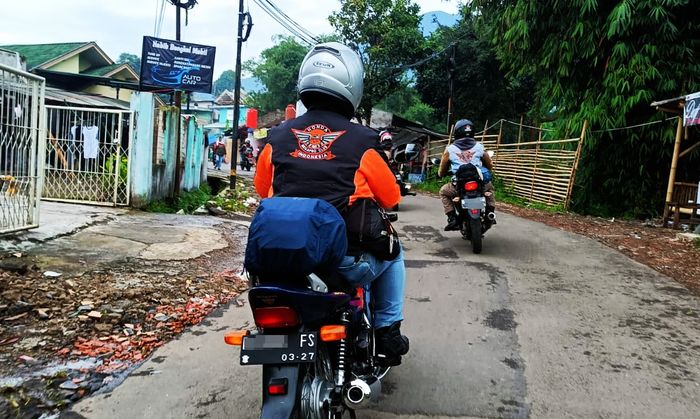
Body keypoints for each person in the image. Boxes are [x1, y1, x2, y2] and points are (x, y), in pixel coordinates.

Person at [254, 42, 409, 366]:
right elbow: (392, 197)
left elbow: (261, 189)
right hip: (342, 261)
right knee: (394, 255)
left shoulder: (278, 137)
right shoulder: (364, 142)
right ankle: (387, 332)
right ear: (352, 85)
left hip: (279, 257)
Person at [438, 118, 496, 231]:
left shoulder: (449, 149)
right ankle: (490, 213)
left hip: (458, 185)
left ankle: (452, 218)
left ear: (457, 132)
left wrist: (441, 174)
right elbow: (489, 165)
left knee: (443, 192)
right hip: (478, 183)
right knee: (490, 189)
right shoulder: (480, 147)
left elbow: (442, 169)